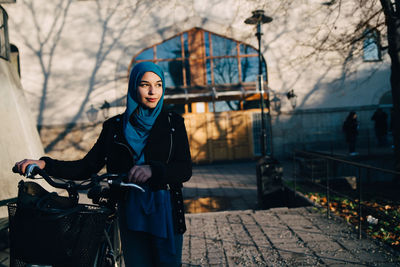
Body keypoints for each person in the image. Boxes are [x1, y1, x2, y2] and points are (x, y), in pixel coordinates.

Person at [14, 62, 192, 266]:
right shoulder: (114, 127)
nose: (153, 91)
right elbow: (86, 167)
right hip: (130, 211)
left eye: (158, 84)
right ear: (134, 86)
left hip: (166, 210)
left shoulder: (173, 123)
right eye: (145, 84)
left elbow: (184, 170)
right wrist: (45, 164)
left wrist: (153, 170)